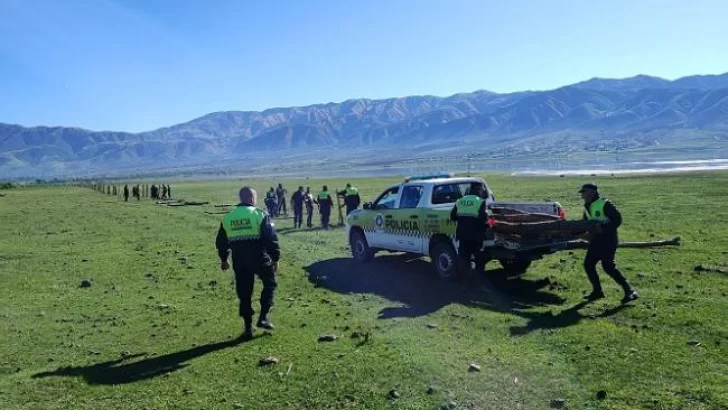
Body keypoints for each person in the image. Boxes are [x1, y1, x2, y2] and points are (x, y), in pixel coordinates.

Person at [216, 187, 280, 340]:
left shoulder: (228, 217)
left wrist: (224, 259)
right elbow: (270, 238)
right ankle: (263, 317)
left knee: (244, 293)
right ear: (252, 198)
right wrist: (275, 259)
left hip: (239, 260)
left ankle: (247, 328)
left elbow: (221, 241)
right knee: (270, 283)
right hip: (258, 257)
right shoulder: (259, 214)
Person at [579, 183, 639, 304]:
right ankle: (597, 291)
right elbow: (586, 223)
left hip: (608, 239)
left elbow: (618, 219)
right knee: (588, 264)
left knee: (608, 266)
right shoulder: (586, 207)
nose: (582, 195)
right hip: (596, 241)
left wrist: (603, 229)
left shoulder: (605, 204)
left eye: (584, 192)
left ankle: (630, 291)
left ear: (592, 192)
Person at [450, 183, 489, 279]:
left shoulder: (460, 201)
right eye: (481, 190)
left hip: (462, 236)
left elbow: (453, 217)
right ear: (478, 190)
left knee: (464, 260)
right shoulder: (480, 202)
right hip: (475, 237)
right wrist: (490, 223)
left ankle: (464, 283)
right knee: (480, 260)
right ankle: (478, 283)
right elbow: (483, 219)